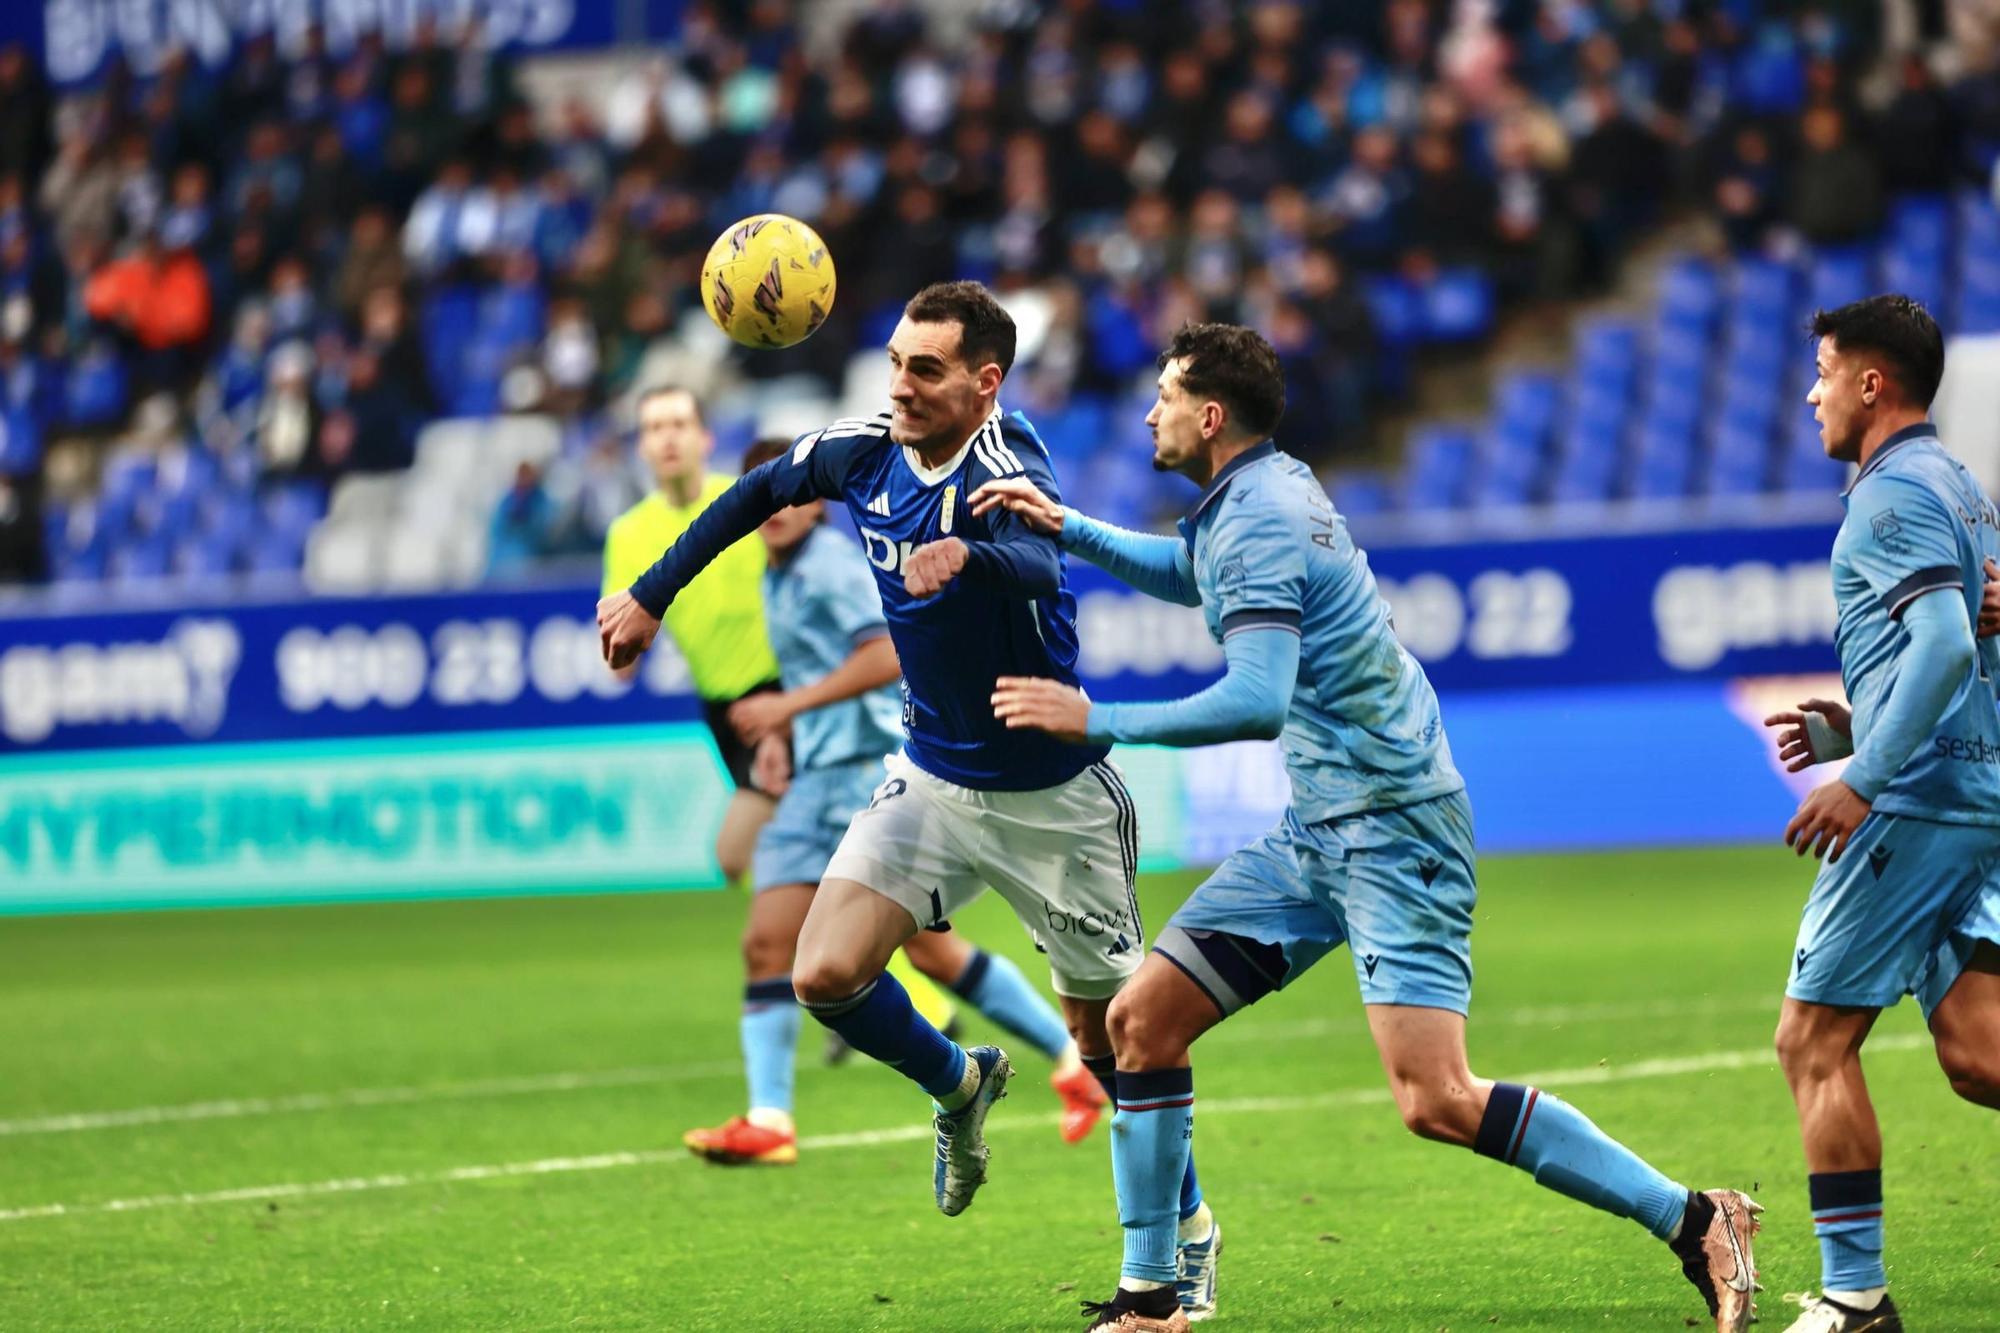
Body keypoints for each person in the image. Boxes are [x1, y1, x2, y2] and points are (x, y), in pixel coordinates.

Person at [975, 323, 1758, 1333]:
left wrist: (1099, 720)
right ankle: (1149, 1299)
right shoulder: (1250, 497)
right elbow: (1189, 572)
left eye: (1164, 395)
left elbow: (1256, 700)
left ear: (1209, 416)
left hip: (1393, 827)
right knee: (1140, 1022)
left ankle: (1695, 1216)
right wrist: (1065, 524)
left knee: (1434, 1096)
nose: (1146, 412)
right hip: (1317, 830)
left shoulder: (1258, 515)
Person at [599, 282, 1191, 1235]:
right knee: (822, 973)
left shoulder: (1006, 454)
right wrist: (650, 593)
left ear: (984, 382)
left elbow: (1045, 563)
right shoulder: (863, 450)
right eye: (895, 364)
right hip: (930, 776)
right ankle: (961, 1084)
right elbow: (755, 491)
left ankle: (1186, 1235)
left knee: (1119, 1047)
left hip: (1052, 794)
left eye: (927, 369)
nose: (902, 387)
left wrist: (969, 555)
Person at [680, 438, 1111, 1167]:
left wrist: (790, 707)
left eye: (793, 500)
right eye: (769, 507)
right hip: (816, 772)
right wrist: (791, 731)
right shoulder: (777, 577)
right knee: (773, 941)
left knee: (925, 950)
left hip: (862, 771)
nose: (779, 516)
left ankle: (1066, 1062)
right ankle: (771, 1117)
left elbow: (884, 654)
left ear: (814, 502)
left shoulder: (828, 567)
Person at [1758, 296, 2000, 1333]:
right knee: (1979, 1053)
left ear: (1869, 382)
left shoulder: (1889, 497)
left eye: (1820, 370)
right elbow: (1957, 647)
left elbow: (1946, 648)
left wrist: (1862, 777)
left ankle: (1854, 1300)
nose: (1808, 393)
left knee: (1810, 1039)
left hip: (1917, 806)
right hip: (1970, 788)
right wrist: (1854, 726)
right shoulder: (1956, 483)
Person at [603, 387, 964, 1036]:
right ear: (641, 443)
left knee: (748, 851)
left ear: (705, 436)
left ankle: (880, 991)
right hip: (727, 710)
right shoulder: (628, 534)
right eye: (654, 426)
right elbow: (624, 653)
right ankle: (853, 980)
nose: (668, 438)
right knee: (770, 860)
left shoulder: (749, 501)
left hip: (786, 702)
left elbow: (808, 608)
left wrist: (791, 709)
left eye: (680, 423)